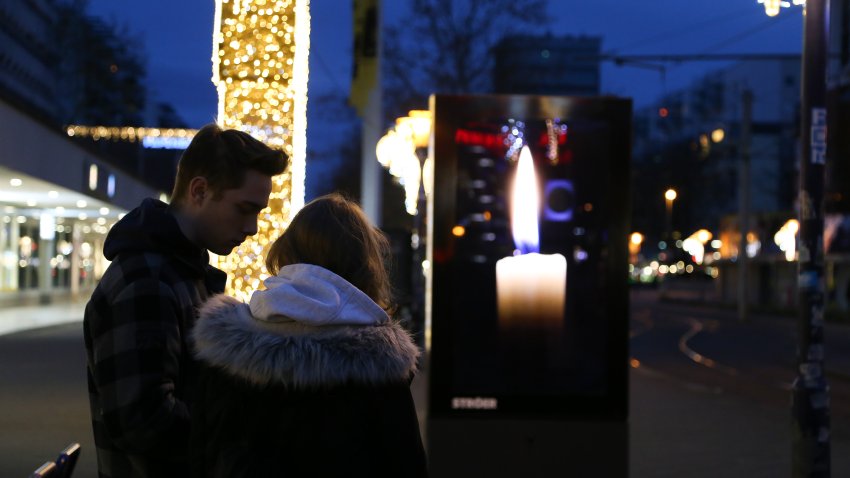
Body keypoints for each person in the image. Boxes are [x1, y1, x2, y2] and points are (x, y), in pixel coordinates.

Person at [83, 123, 288, 478]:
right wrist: (246, 436)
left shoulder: (179, 273)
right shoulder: (147, 280)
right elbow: (145, 423)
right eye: (244, 208)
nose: (253, 227)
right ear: (199, 191)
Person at [189, 193, 428, 477]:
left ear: (287, 252)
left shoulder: (227, 348)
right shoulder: (381, 364)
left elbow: (204, 451)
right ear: (365, 265)